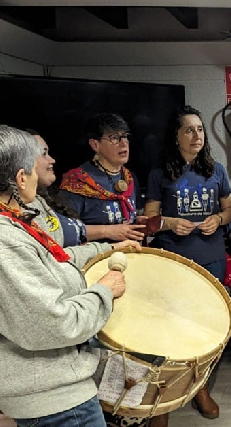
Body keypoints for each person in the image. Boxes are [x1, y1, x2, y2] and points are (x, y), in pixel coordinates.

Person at [0, 125, 127, 426]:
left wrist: (105, 250)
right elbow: (54, 324)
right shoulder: (6, 239)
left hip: (57, 392)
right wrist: (104, 290)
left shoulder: (17, 222)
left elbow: (58, 259)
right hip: (55, 402)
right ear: (20, 178)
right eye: (33, 167)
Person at [143, 105, 231, 425]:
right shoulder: (159, 173)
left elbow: (229, 212)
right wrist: (169, 223)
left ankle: (200, 389)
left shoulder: (217, 170)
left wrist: (217, 219)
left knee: (207, 328)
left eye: (200, 129)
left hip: (212, 259)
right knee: (171, 328)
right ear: (176, 136)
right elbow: (150, 222)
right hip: (174, 261)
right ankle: (164, 399)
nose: (196, 135)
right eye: (189, 130)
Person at [58, 113, 146, 243]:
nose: (124, 144)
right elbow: (64, 230)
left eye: (125, 137)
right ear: (95, 145)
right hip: (96, 259)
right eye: (114, 138)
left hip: (130, 254)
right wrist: (110, 231)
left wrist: (136, 222)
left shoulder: (129, 178)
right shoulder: (77, 182)